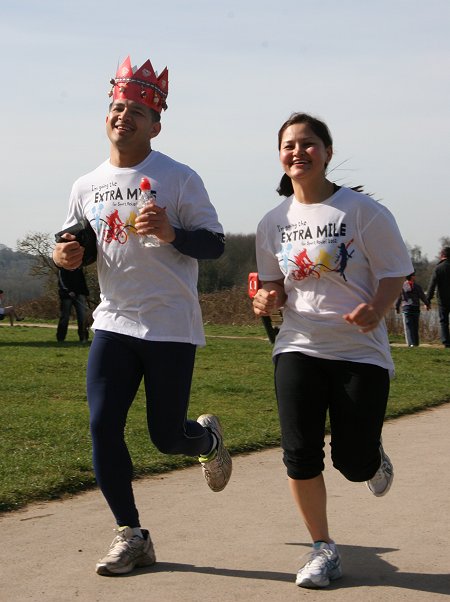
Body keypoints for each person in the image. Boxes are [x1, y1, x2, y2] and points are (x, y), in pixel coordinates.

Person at [52, 55, 232, 576]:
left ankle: (208, 440)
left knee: (166, 437)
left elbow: (215, 245)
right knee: (102, 424)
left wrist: (173, 233)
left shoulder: (178, 178)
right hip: (114, 322)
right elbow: (78, 245)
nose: (122, 116)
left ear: (156, 123)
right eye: (116, 107)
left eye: (135, 110)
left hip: (171, 324)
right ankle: (130, 533)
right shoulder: (85, 184)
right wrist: (68, 259)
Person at [252, 112, 413, 589]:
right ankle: (323, 548)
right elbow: (272, 286)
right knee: (299, 455)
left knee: (353, 462)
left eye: (308, 144)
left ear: (327, 152)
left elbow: (395, 271)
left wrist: (378, 308)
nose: (297, 152)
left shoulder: (361, 211)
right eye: (288, 146)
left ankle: (371, 457)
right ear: (279, 156)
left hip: (359, 352)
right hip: (298, 345)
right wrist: (266, 298)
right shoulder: (272, 222)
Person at [395, 273, 430, 347]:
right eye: (414, 275)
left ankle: (410, 343)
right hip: (416, 308)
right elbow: (422, 296)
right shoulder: (417, 287)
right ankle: (416, 343)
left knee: (408, 327)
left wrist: (397, 307)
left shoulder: (402, 287)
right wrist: (427, 304)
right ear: (412, 277)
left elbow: (399, 298)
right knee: (415, 326)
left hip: (406, 308)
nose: (415, 277)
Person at [56, 267, 90, 343]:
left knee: (82, 317)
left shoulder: (78, 268)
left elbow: (82, 280)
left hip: (79, 293)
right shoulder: (63, 268)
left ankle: (84, 337)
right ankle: (61, 338)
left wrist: (85, 292)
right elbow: (62, 280)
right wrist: (68, 291)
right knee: (65, 317)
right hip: (67, 295)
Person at [426, 246, 450, 348]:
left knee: (444, 321)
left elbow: (432, 285)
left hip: (443, 300)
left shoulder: (438, 268)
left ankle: (446, 342)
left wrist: (428, 300)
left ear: (442, 255)